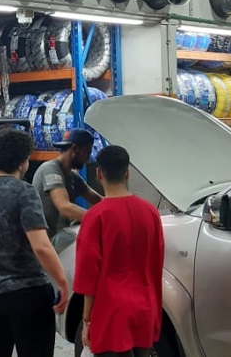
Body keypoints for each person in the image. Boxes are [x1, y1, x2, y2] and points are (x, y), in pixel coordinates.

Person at [0, 128, 69, 357]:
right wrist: (62, 281)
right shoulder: (24, 191)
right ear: (23, 161)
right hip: (26, 293)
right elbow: (41, 246)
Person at [73, 145, 164, 357]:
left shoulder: (95, 217)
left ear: (99, 173)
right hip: (144, 310)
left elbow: (88, 275)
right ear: (127, 173)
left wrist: (87, 320)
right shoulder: (150, 212)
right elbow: (156, 262)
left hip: (110, 315)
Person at [31, 128, 103, 250]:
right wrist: (99, 220)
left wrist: (119, 207)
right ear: (75, 149)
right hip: (47, 245)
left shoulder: (71, 175)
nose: (88, 158)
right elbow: (64, 207)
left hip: (60, 241)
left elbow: (97, 199)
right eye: (87, 152)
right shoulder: (50, 169)